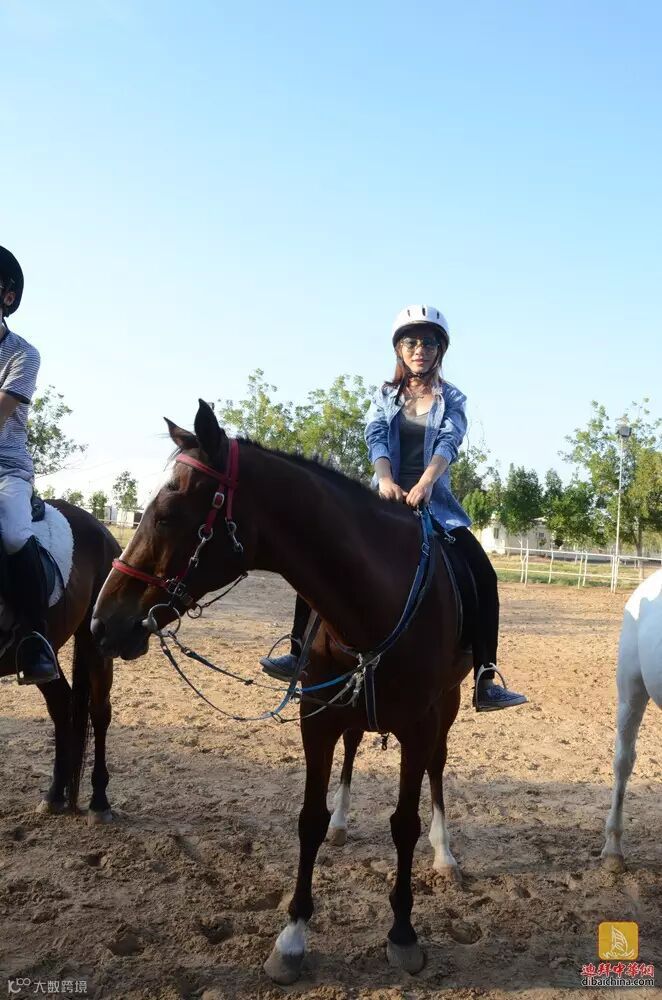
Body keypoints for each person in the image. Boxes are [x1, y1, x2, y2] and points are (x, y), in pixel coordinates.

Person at [260, 304, 527, 712]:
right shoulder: (385, 396)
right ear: (399, 349)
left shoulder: (453, 398)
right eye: (411, 341)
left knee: (482, 574)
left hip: (434, 504)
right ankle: (299, 652)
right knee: (320, 556)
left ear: (440, 350)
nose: (420, 349)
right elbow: (377, 437)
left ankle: (485, 677)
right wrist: (385, 480)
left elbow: (448, 443)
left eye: (429, 342)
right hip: (381, 502)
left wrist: (426, 482)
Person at [0, 245, 59, 684]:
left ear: (7, 297)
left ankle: (35, 638)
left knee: (14, 533)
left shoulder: (23, 354)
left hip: (6, 468)